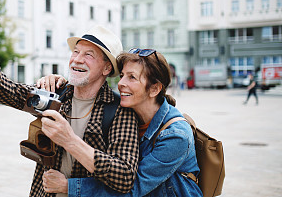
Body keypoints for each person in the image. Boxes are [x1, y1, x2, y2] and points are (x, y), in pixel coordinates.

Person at [0, 0, 139, 197]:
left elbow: (125, 177)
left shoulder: (119, 110)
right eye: (76, 51)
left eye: (88, 55)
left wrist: (70, 140)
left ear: (107, 67)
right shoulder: (57, 92)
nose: (77, 59)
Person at [41, 48, 203, 197]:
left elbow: (132, 189)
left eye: (132, 77)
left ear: (154, 89)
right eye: (122, 75)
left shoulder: (176, 136)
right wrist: (61, 83)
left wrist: (67, 186)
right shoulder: (128, 113)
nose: (121, 84)